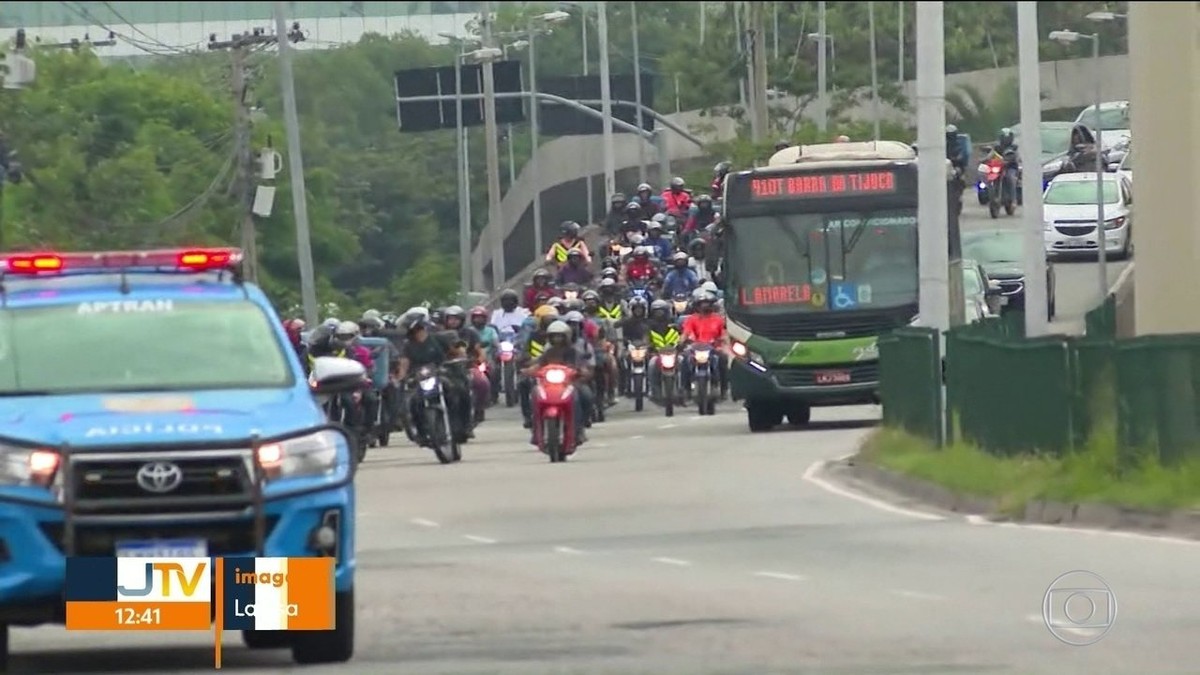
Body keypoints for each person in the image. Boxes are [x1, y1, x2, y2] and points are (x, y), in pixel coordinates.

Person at [523, 320, 588, 447]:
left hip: (569, 384)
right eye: (554, 336)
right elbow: (539, 364)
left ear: (566, 336)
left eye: (560, 336)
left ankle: (579, 429)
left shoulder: (573, 352)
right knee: (534, 395)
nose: (557, 339)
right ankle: (536, 431)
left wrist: (581, 371)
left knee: (586, 395)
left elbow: (581, 366)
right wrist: (528, 370)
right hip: (549, 386)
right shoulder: (548, 352)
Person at [436, 306, 484, 437]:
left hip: (466, 366)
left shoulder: (470, 333)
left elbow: (479, 350)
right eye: (450, 319)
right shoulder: (437, 334)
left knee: (481, 383)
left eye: (456, 319)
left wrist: (477, 361)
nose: (453, 322)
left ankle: (477, 412)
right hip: (443, 369)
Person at [517, 306, 560, 428]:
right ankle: (528, 416)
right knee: (523, 383)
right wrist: (525, 360)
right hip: (537, 369)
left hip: (559, 370)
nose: (550, 323)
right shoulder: (533, 336)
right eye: (547, 320)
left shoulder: (562, 336)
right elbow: (525, 352)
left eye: (553, 320)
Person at [680, 293, 729, 399]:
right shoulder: (692, 319)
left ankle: (723, 388)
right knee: (684, 360)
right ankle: (686, 388)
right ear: (697, 306)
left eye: (707, 304)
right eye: (702, 304)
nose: (704, 306)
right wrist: (681, 342)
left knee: (723, 359)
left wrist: (724, 341)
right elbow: (686, 333)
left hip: (714, 348)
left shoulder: (718, 319)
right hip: (696, 348)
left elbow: (724, 334)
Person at [562, 310, 597, 427]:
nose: (573, 328)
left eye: (576, 325)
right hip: (557, 382)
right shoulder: (553, 344)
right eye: (570, 324)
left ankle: (584, 420)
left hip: (577, 380)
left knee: (586, 396)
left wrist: (584, 375)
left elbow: (591, 366)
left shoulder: (585, 345)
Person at [646, 299, 682, 400]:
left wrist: (681, 344)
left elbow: (681, 337)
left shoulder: (674, 326)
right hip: (657, 354)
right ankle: (652, 389)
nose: (659, 314)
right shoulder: (649, 326)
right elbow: (646, 340)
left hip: (674, 353)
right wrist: (649, 347)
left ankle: (683, 388)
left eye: (661, 311)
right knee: (651, 364)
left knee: (682, 362)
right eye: (657, 312)